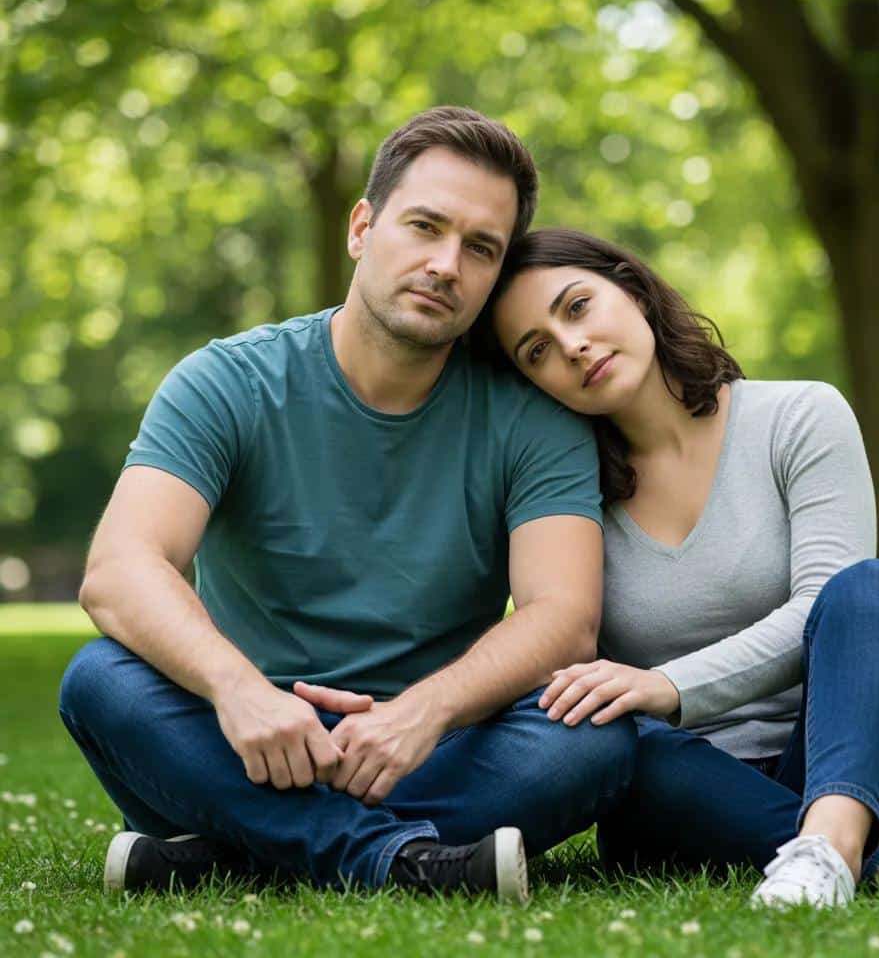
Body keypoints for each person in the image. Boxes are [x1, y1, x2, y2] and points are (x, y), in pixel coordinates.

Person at [58, 110, 638, 903]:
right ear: (363, 227)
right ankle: (401, 862)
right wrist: (239, 691)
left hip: (429, 744)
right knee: (100, 680)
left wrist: (422, 714)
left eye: (480, 249)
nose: (444, 264)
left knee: (597, 737)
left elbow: (563, 617)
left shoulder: (533, 418)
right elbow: (118, 570)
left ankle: (240, 852)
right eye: (424, 227)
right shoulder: (227, 381)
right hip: (245, 740)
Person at [479, 226, 879, 908]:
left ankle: (831, 843)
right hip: (683, 795)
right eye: (538, 352)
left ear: (633, 287)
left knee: (869, 588)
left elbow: (822, 608)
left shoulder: (799, 417)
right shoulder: (564, 499)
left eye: (577, 306)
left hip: (849, 768)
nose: (572, 346)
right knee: (608, 734)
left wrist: (665, 685)